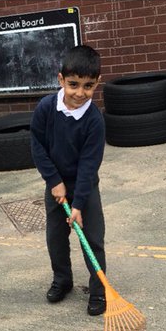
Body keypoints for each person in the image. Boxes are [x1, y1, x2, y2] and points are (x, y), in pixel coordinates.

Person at [30, 45, 107, 314]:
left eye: (88, 86)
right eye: (73, 84)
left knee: (93, 239)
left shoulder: (94, 120)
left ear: (97, 83)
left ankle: (99, 291)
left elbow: (89, 164)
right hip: (56, 187)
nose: (79, 93)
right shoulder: (46, 108)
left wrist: (79, 205)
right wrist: (54, 181)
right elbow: (37, 146)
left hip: (84, 186)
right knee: (56, 237)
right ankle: (62, 281)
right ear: (61, 79)